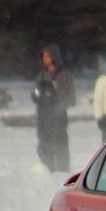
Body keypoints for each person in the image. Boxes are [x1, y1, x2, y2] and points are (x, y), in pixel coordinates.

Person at [31, 44, 74, 172]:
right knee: (45, 152)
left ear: (54, 57)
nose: (45, 59)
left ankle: (62, 178)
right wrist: (38, 94)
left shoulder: (64, 75)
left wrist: (57, 108)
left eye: (48, 56)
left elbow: (70, 98)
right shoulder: (41, 75)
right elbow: (34, 96)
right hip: (43, 120)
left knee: (61, 153)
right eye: (43, 56)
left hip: (58, 121)